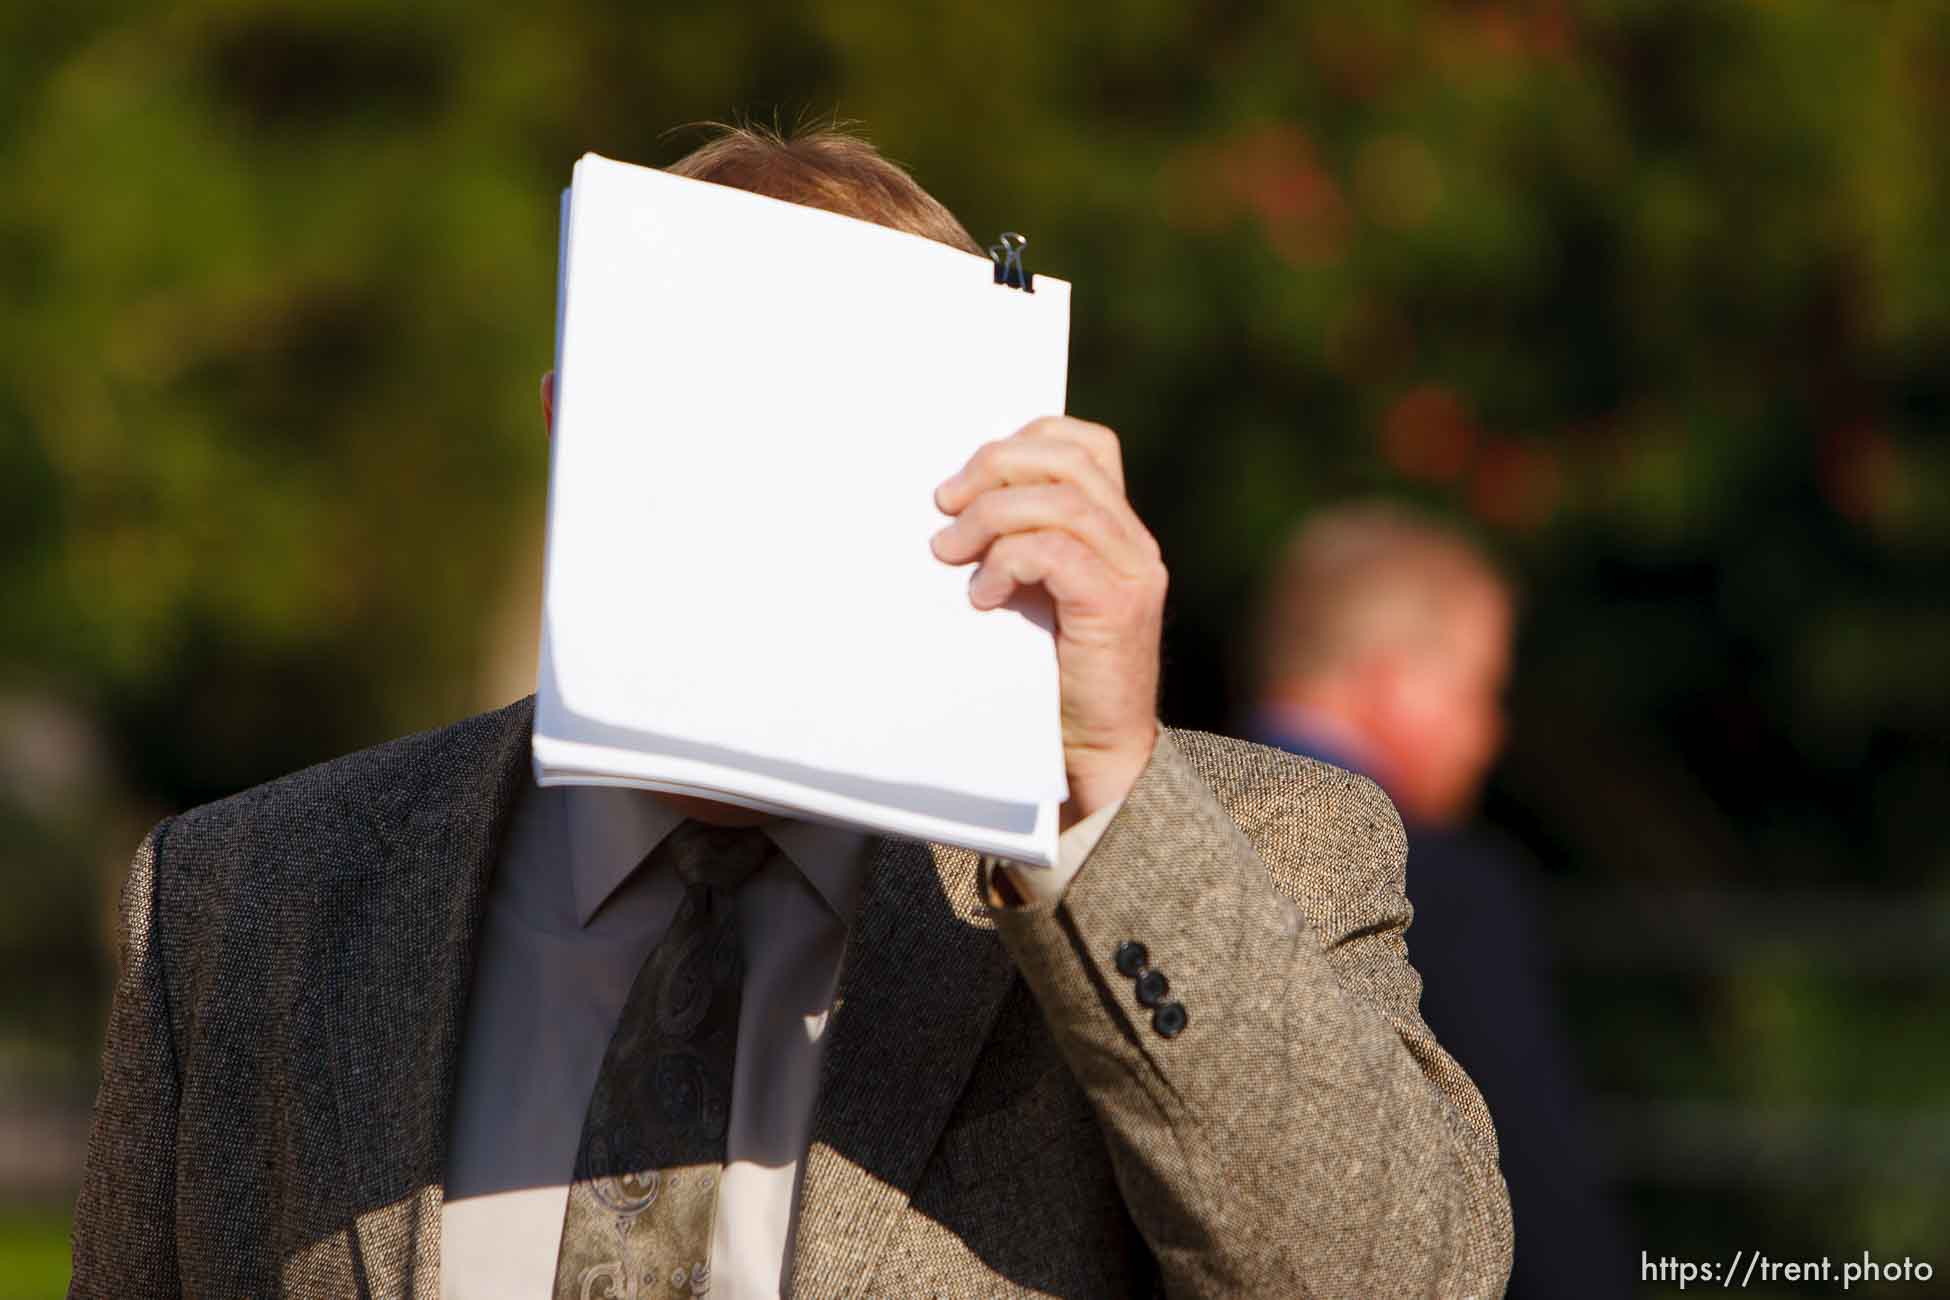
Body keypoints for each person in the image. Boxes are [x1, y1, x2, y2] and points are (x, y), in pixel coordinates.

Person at [70, 126, 1511, 1299]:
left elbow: (1405, 1275)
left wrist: (1099, 789)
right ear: (577, 427)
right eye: (710, 425)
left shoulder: (1250, 850)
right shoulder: (248, 900)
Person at [1246, 500, 1631, 1300]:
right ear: (1395, 684)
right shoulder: (1440, 888)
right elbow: (1533, 1182)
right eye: (1478, 689)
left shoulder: (1127, 838)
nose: (1489, 732)